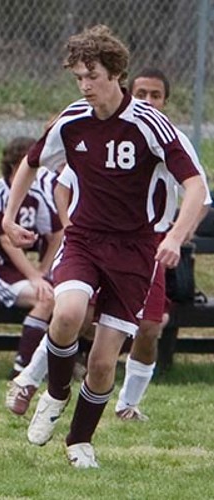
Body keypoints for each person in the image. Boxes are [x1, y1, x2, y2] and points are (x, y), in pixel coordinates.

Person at [2, 25, 206, 468]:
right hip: (85, 239)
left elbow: (195, 185)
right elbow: (31, 163)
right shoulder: (73, 119)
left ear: (115, 73)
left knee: (101, 362)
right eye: (78, 77)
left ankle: (79, 442)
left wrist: (174, 236)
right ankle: (56, 393)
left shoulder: (150, 125)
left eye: (91, 76)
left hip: (135, 251)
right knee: (67, 313)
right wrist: (9, 216)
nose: (84, 85)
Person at [115, 67, 211, 420]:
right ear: (128, 94)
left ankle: (127, 404)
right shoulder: (110, 131)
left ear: (165, 101)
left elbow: (201, 196)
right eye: (141, 94)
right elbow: (66, 183)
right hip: (105, 240)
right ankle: (44, 378)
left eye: (156, 95)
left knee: (150, 326)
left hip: (150, 243)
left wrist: (179, 234)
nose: (148, 101)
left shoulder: (172, 140)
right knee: (80, 315)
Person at [0, 137, 63, 382]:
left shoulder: (36, 194)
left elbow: (57, 233)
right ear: (15, 164)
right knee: (46, 298)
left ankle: (59, 364)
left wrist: (44, 270)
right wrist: (35, 276)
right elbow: (5, 239)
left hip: (22, 273)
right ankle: (22, 369)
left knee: (67, 301)